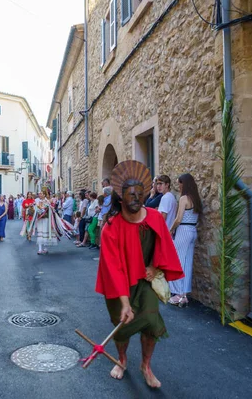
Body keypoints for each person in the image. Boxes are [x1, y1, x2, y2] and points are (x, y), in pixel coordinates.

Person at [96, 160, 183, 389]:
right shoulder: (111, 227)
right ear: (120, 197)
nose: (136, 198)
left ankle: (146, 365)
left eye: (140, 194)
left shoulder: (154, 218)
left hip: (145, 282)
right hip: (120, 285)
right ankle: (122, 360)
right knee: (122, 325)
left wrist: (156, 268)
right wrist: (125, 302)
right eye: (130, 194)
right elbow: (112, 269)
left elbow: (165, 247)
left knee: (151, 322)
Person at [168, 174, 202, 307]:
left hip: (183, 231)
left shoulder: (184, 198)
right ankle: (184, 294)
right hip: (193, 231)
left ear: (185, 183)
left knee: (176, 261)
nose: (178, 186)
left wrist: (170, 229)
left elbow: (178, 218)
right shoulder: (196, 198)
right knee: (187, 263)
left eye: (180, 183)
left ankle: (177, 294)